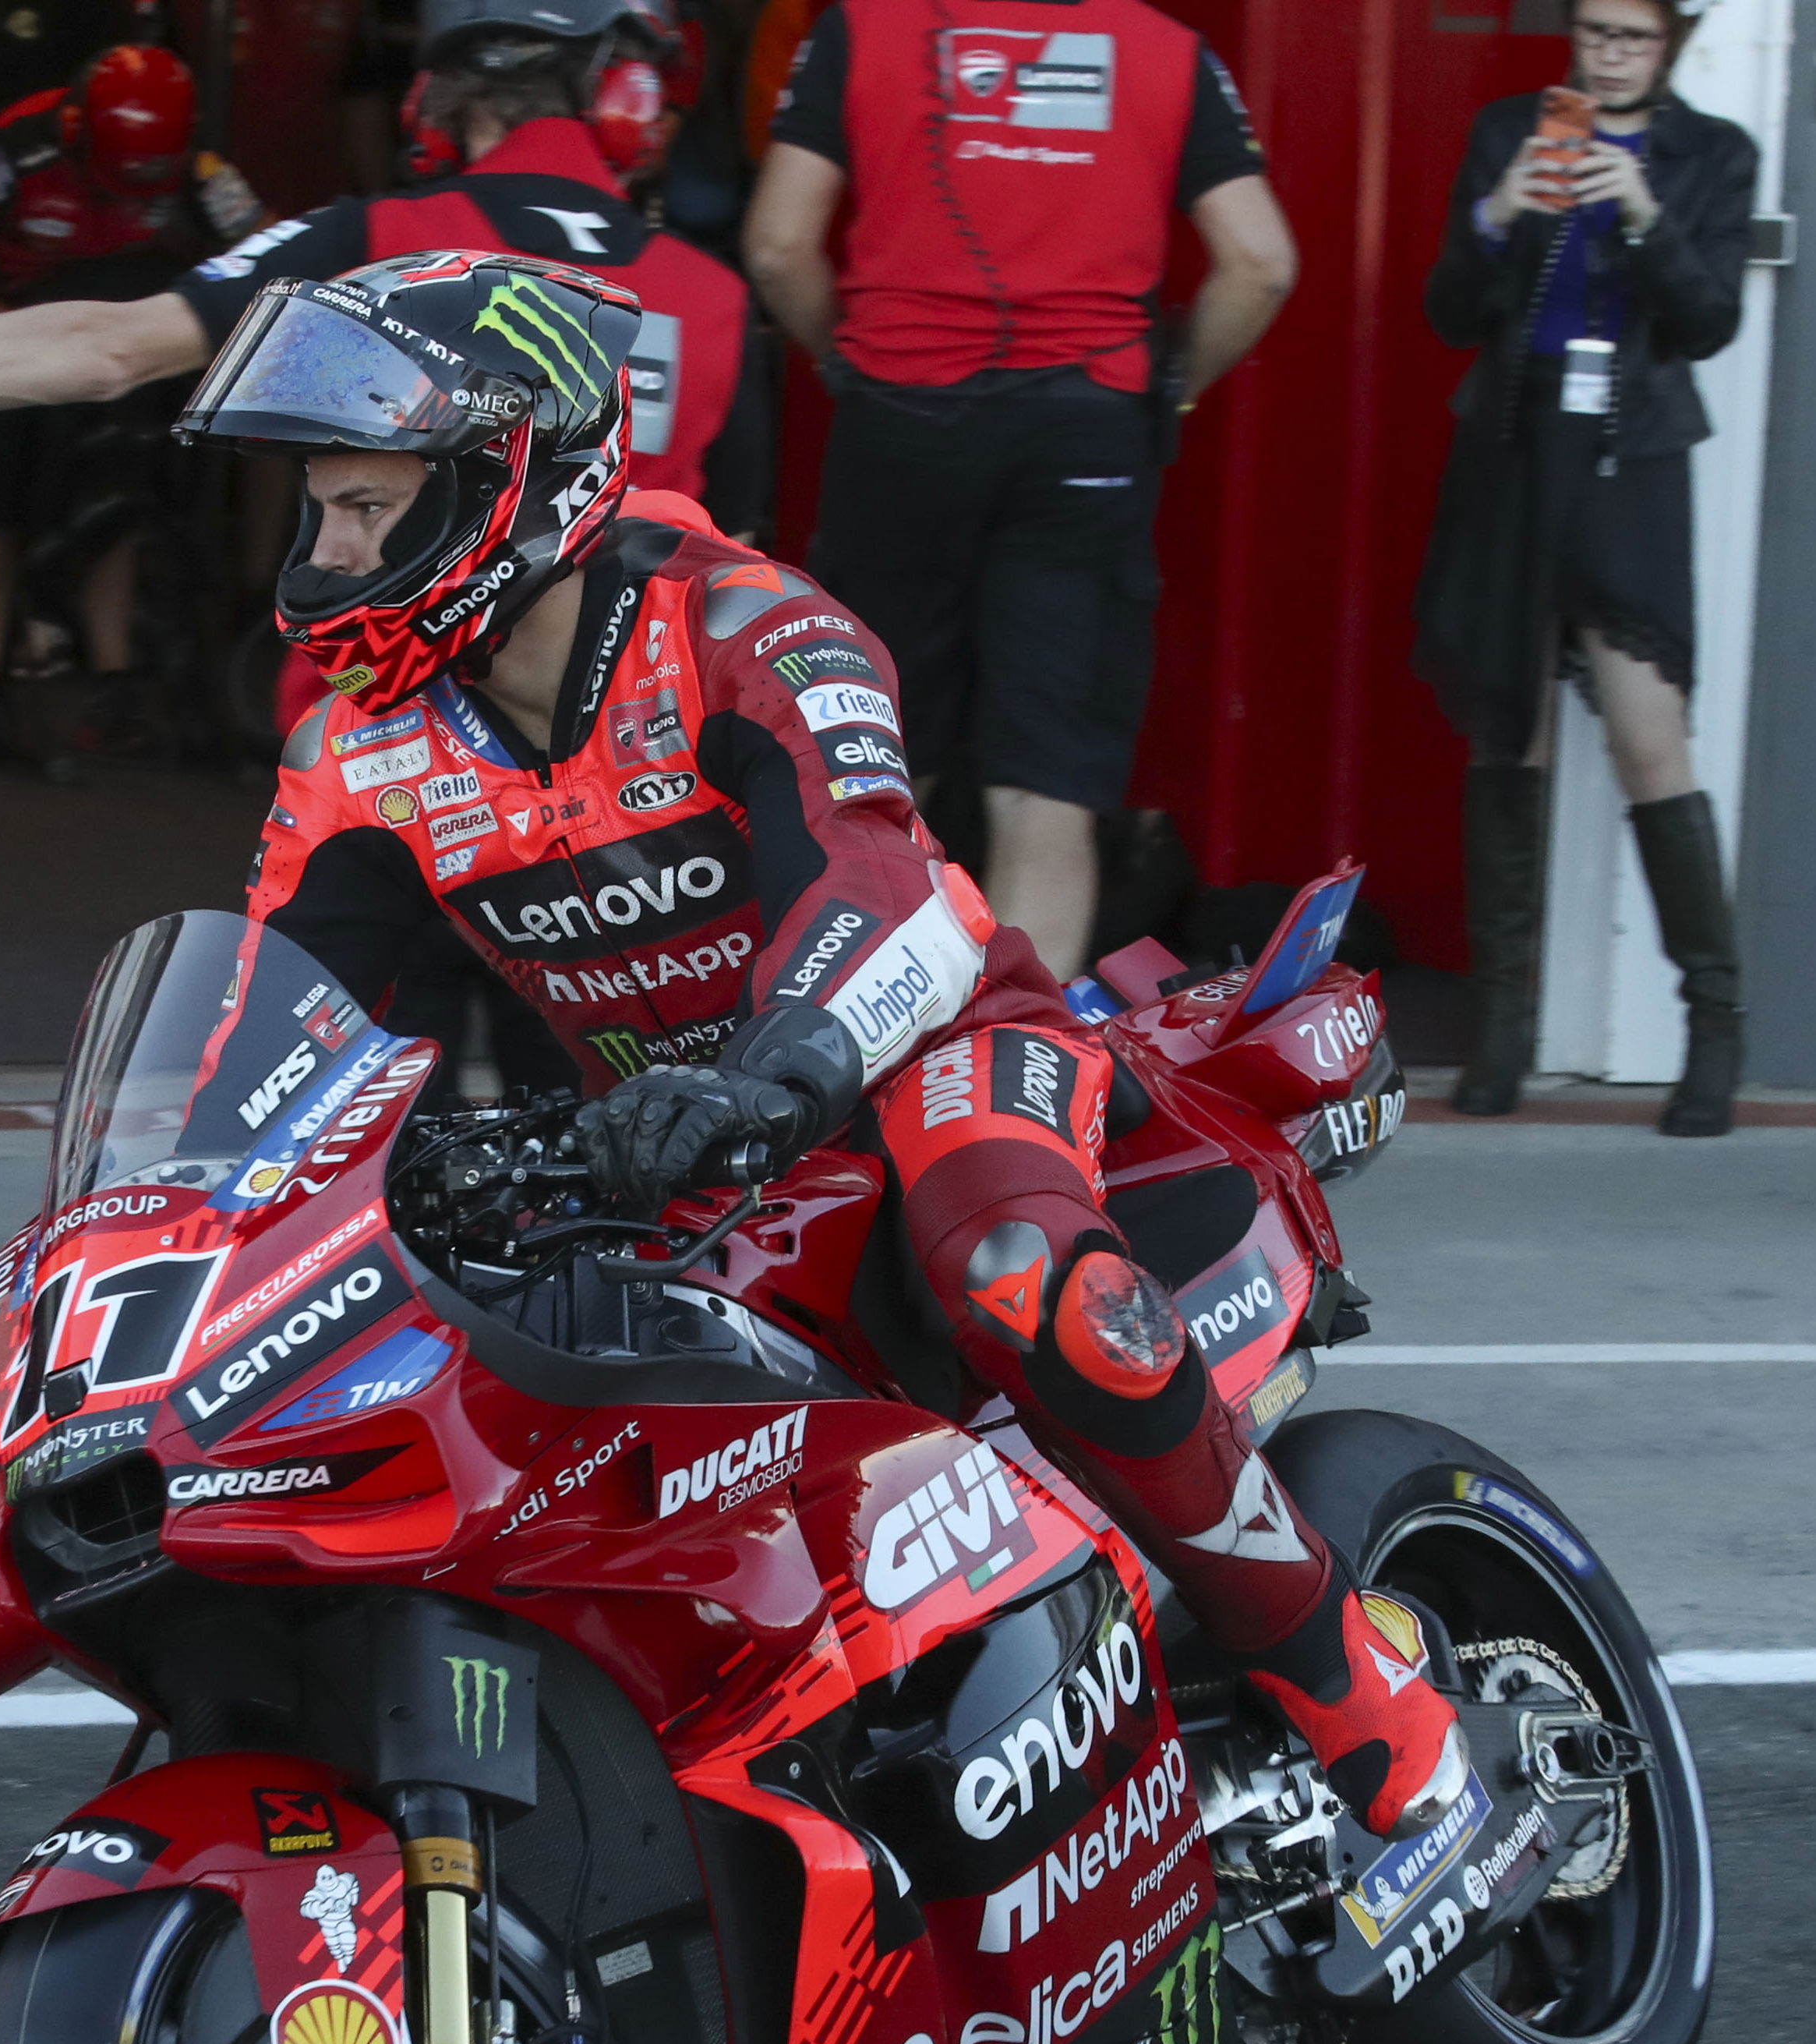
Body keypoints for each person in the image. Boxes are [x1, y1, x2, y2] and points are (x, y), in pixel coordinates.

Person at [182, 250, 1475, 1842]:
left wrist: (768, 1074)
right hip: (666, 1155)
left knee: (1011, 1263)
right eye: (318, 508)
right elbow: (272, 1030)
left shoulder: (738, 623)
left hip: (915, 1053)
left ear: (513, 485)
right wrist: (183, 1228)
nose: (328, 552)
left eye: (370, 508)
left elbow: (881, 892)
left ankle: (1357, 1689)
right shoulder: (355, 742)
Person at [0, 0, 769, 540]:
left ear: (433, 100)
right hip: (633, 800)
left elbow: (101, 349)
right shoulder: (717, 298)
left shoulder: (372, 238)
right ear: (621, 97)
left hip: (397, 780)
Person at [741, 0, 1297, 979]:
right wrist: (1169, 389)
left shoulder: (863, 29)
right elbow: (1258, 261)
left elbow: (779, 243)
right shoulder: (1165, 51)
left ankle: (845, 1053)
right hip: (1085, 428)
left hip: (901, 419)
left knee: (865, 756)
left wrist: (844, 363)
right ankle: (1018, 1077)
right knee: (1046, 781)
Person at [1415, 0, 1753, 1134]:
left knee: (1644, 729)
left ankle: (1712, 1024)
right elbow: (1447, 308)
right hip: (1512, 448)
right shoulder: (1512, 129)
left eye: (1630, 39)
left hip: (1629, 452)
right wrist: (1498, 209)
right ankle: (1501, 1035)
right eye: (1593, 33)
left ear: (1670, 44)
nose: (1605, 57)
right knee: (1504, 727)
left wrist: (1644, 217)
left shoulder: (1710, 152)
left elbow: (1706, 322)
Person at [0, 42, 260, 759]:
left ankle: (115, 674)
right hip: (15, 322)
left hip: (117, 351)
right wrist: (7, 333)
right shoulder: (16, 154)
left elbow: (276, 250)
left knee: (118, 475)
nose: (128, 200)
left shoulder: (202, 170)